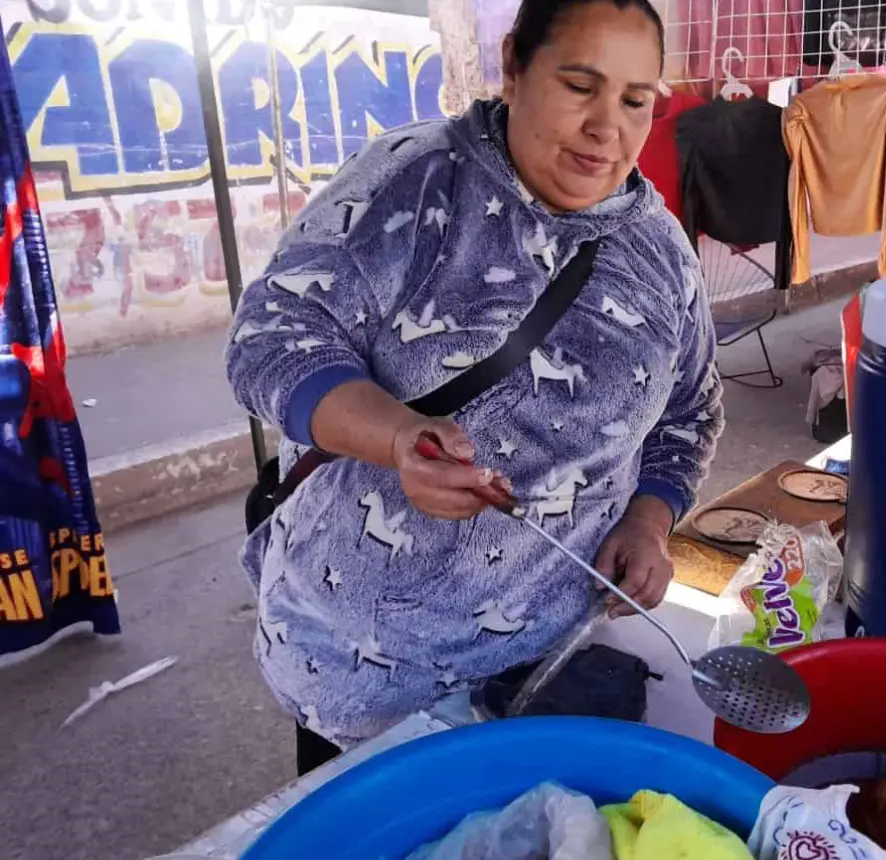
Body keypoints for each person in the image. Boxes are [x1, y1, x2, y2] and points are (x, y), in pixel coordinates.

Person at [224, 0, 723, 775]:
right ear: (516, 64)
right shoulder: (413, 185)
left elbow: (689, 411)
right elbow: (272, 342)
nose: (607, 128)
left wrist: (651, 520)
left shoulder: (656, 248)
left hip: (555, 661)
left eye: (634, 101)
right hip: (369, 673)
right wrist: (395, 439)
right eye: (579, 86)